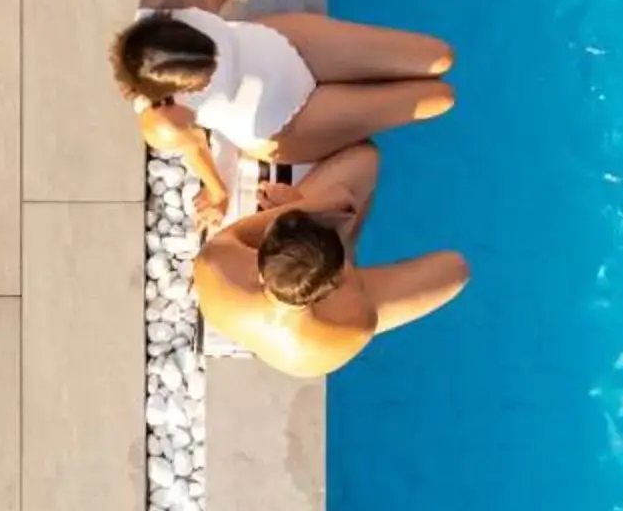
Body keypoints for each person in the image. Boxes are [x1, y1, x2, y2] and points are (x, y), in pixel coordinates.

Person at [115, 0, 454, 215]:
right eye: (207, 74)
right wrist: (218, 195)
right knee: (440, 97)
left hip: (288, 44)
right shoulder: (161, 121)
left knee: (440, 57)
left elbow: (205, 7)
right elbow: (194, 147)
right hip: (288, 122)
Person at [196, 141, 470, 377]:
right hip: (310, 340)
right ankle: (346, 241)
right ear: (338, 279)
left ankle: (342, 236)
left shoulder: (215, 266)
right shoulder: (345, 328)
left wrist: (297, 206)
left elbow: (250, 229)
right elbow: (341, 201)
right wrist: (326, 205)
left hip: (288, 331)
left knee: (361, 170)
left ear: (260, 267)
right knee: (456, 269)